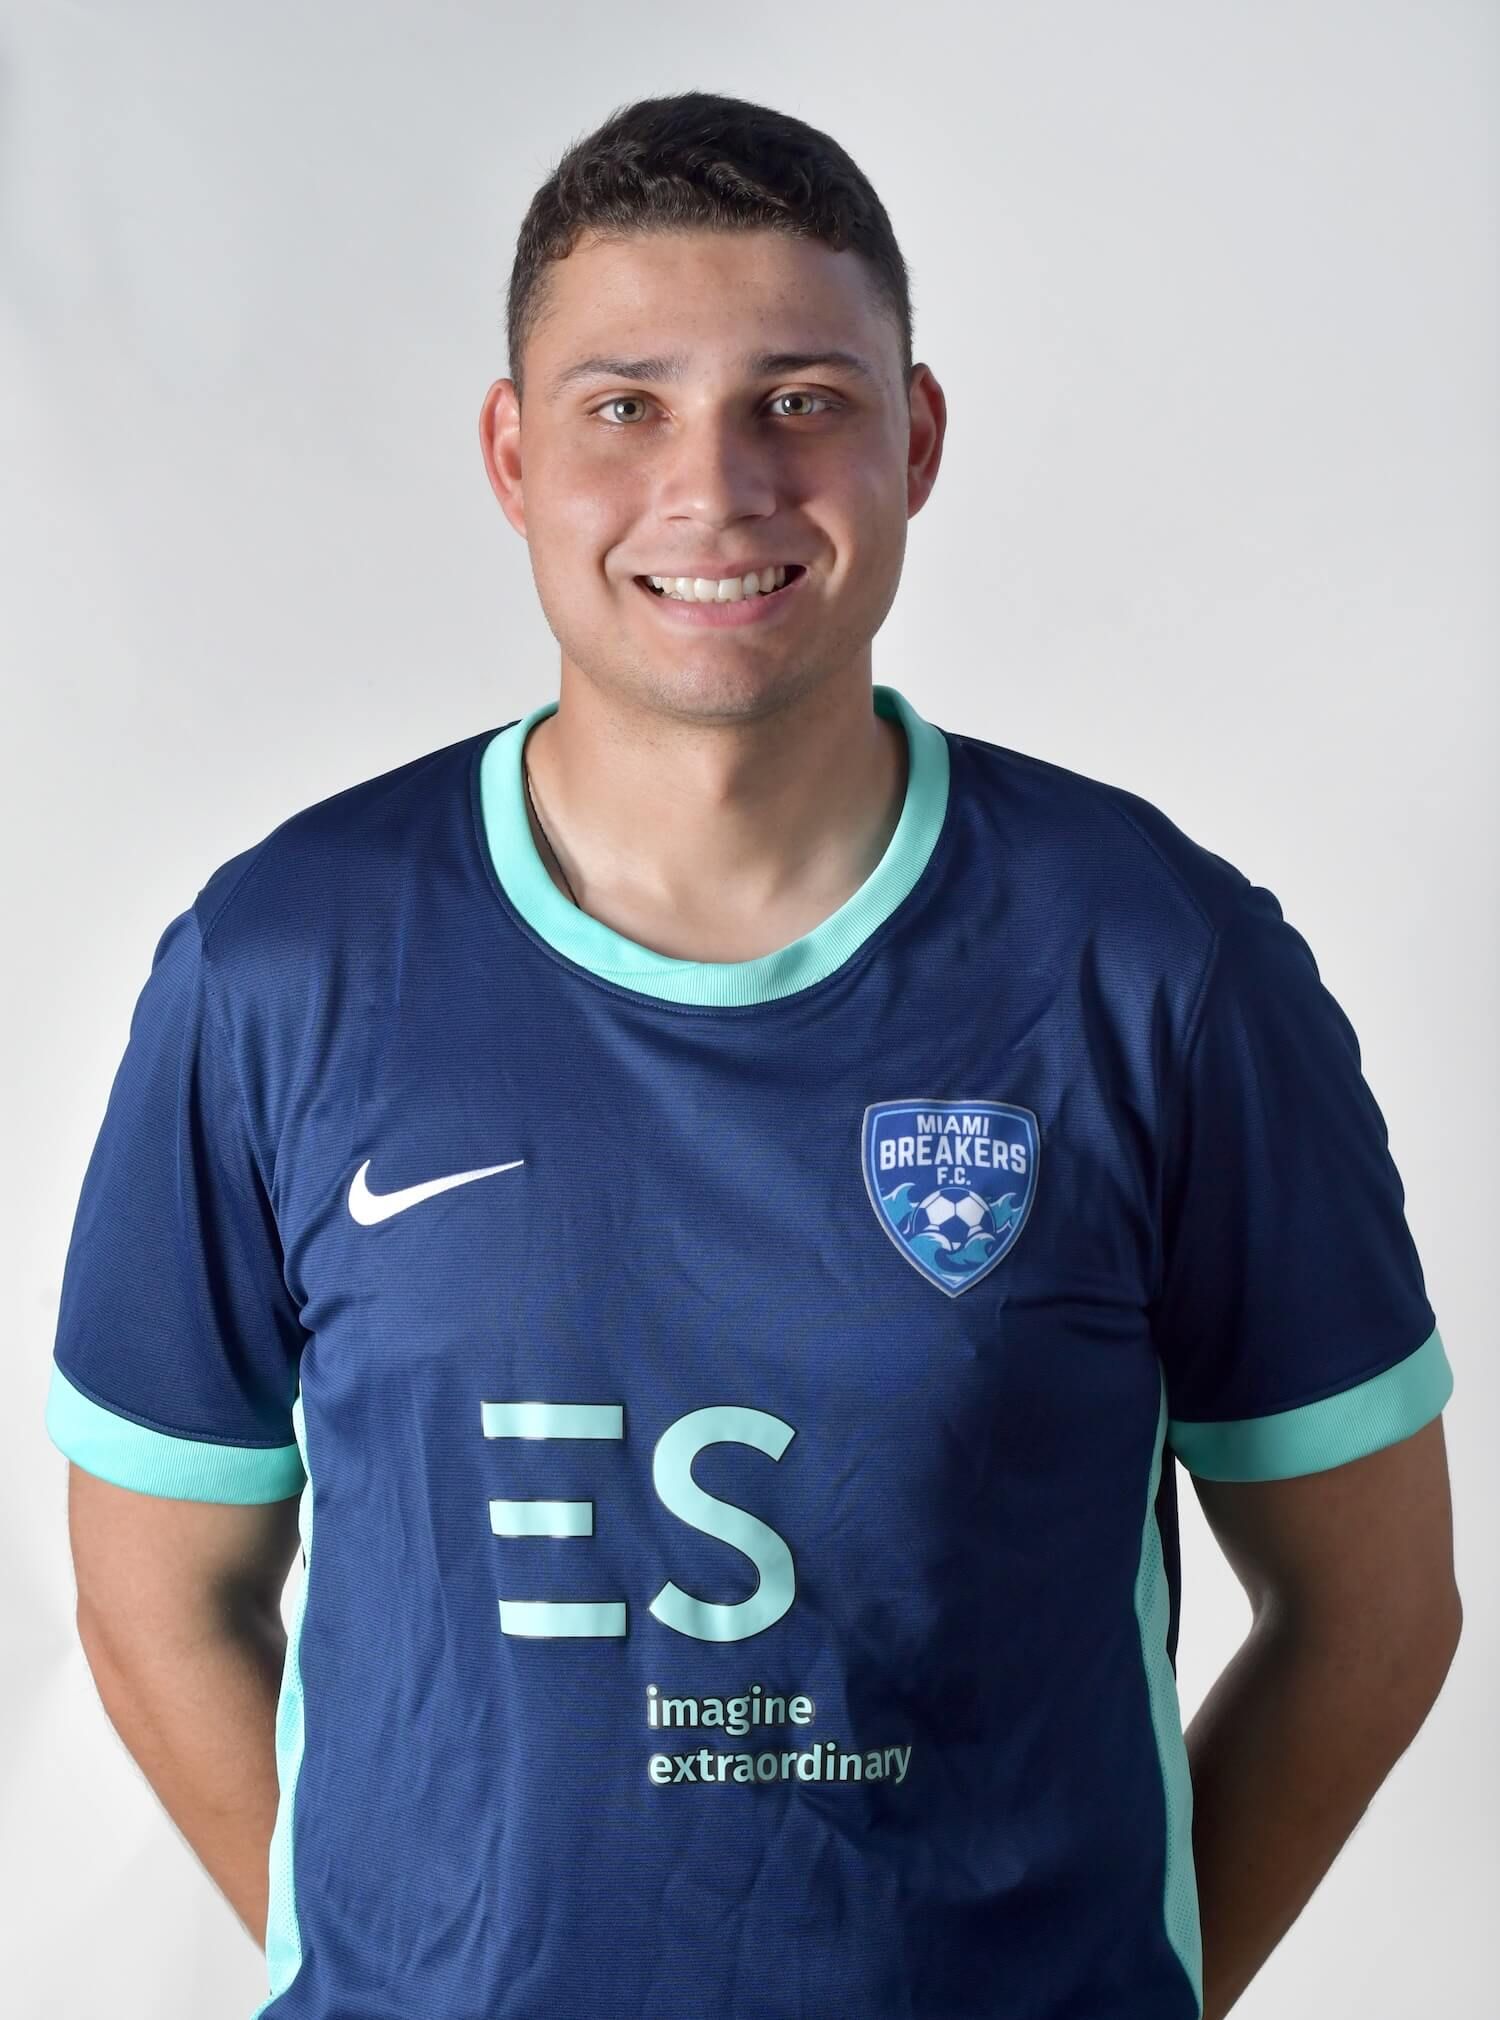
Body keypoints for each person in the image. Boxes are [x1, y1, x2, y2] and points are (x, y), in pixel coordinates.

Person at [45, 89, 1460, 2020]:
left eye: (800, 399)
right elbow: (155, 1592)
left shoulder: (1157, 961)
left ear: (916, 439)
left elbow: (1372, 1613)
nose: (713, 487)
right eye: (626, 406)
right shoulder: (281, 966)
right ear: (513, 453)